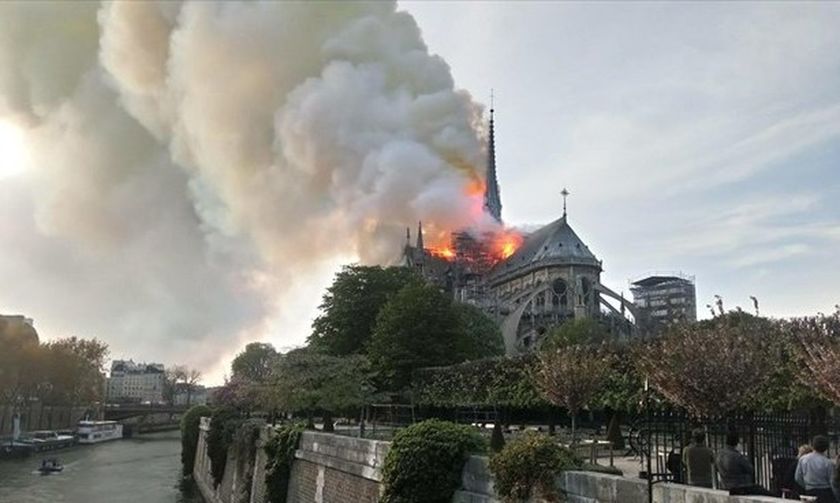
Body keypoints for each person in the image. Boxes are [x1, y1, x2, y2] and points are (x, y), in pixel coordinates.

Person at [795, 435, 837, 503]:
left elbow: (798, 477)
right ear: (826, 448)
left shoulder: (803, 459)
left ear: (813, 445)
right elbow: (832, 481)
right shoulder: (828, 463)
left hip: (809, 490)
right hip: (825, 491)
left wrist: (806, 485)